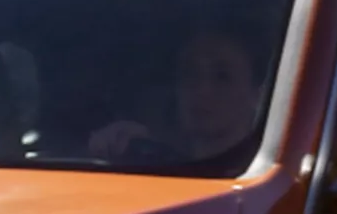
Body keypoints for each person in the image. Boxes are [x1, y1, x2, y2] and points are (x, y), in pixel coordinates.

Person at [89, 27, 266, 171]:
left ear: (257, 95)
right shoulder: (150, 164)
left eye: (222, 77)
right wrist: (121, 149)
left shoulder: (263, 178)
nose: (202, 90)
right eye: (190, 73)